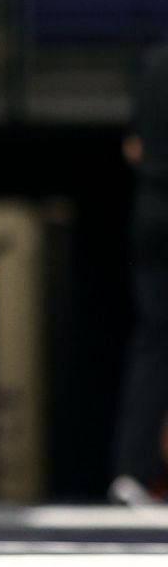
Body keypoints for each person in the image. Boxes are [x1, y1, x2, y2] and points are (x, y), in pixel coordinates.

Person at [113, 42, 168, 504]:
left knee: (153, 344)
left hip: (150, 210)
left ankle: (131, 472)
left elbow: (133, 147)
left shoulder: (150, 67)